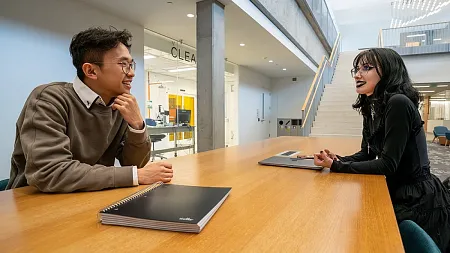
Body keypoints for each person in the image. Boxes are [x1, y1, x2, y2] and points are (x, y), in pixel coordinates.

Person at [313, 48, 450, 252]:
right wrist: (337, 159)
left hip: (416, 198)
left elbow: (388, 164)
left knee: (367, 234)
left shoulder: (398, 103)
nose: (358, 74)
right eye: (356, 69)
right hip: (396, 189)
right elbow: (366, 153)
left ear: (388, 72)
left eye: (366, 68)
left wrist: (338, 166)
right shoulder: (372, 105)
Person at [7, 27, 173, 193]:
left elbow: (136, 165)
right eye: (123, 64)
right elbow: (50, 172)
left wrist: (137, 125)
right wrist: (135, 175)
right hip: (36, 203)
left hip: (91, 197)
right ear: (91, 71)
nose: (132, 73)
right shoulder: (49, 99)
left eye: (131, 64)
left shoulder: (119, 104)